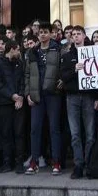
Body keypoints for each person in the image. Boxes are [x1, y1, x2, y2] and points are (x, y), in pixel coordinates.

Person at [25, 22, 64, 175]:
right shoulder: (32, 52)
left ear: (51, 33)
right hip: (36, 95)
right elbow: (27, 74)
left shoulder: (58, 49)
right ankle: (34, 162)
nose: (42, 34)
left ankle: (56, 162)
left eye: (45, 32)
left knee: (54, 129)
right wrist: (28, 93)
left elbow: (63, 68)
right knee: (34, 129)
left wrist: (62, 81)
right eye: (40, 32)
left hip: (53, 94)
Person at [61, 25, 96, 179]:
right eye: (73, 34)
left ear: (84, 36)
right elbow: (63, 77)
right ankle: (78, 165)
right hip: (72, 97)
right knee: (75, 134)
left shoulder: (93, 54)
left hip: (88, 97)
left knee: (90, 134)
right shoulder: (67, 56)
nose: (75, 37)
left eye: (78, 34)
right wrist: (74, 69)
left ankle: (89, 164)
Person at [0, 39, 27, 174]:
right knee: (6, 133)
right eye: (17, 49)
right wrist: (11, 96)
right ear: (11, 49)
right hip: (5, 103)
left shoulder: (20, 63)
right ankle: (7, 162)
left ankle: (19, 162)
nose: (19, 52)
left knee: (19, 133)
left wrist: (20, 96)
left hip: (19, 103)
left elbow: (24, 81)